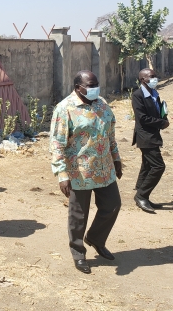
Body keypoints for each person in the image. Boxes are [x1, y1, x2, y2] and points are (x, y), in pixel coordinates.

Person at [50, 70, 122, 274]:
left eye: (96, 85)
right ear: (78, 88)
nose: (94, 89)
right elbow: (57, 144)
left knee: (113, 205)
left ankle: (95, 239)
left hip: (104, 167)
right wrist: (61, 174)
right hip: (79, 171)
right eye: (90, 86)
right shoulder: (65, 109)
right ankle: (78, 252)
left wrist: (116, 159)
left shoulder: (102, 104)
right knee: (78, 215)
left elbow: (110, 134)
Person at [131, 68, 169, 214]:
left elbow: (157, 111)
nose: (155, 79)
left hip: (153, 135)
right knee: (158, 166)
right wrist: (161, 123)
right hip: (145, 136)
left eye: (155, 76)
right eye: (151, 77)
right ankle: (141, 195)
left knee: (147, 165)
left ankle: (142, 193)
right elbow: (142, 118)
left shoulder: (154, 94)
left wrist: (163, 118)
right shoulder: (138, 95)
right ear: (143, 79)